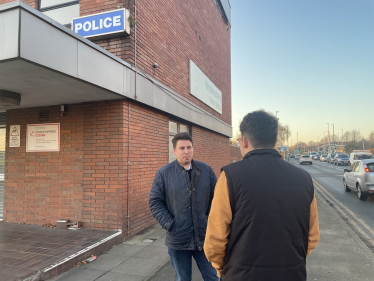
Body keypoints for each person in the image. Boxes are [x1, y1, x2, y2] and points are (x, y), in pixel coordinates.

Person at [204, 110, 319, 281]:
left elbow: (215, 241)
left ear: (244, 140)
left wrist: (224, 270)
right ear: (276, 141)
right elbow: (312, 236)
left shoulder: (230, 177)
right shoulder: (304, 179)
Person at [149, 132, 219, 281]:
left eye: (189, 147)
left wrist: (209, 220)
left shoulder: (206, 170)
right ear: (174, 150)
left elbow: (218, 198)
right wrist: (170, 224)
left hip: (205, 237)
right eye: (182, 148)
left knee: (213, 277)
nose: (186, 151)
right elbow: (155, 202)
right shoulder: (164, 173)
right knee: (182, 278)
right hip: (178, 239)